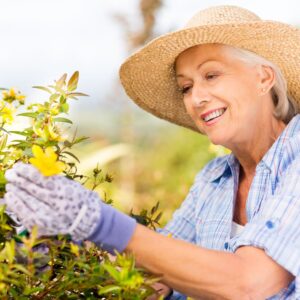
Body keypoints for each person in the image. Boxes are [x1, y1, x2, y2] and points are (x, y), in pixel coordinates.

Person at [4, 5, 300, 299]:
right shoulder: (214, 180)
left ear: (263, 78)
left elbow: (250, 284)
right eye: (186, 87)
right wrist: (65, 252)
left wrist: (97, 220)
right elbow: (158, 280)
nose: (196, 97)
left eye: (211, 75)